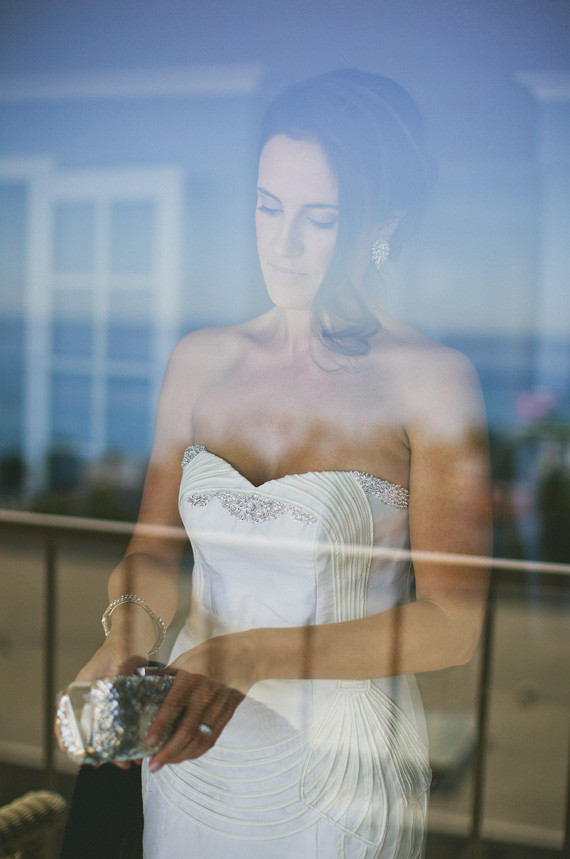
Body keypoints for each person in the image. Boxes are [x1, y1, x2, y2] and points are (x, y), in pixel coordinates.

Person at [72, 70, 491, 858]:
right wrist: (126, 637)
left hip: (337, 769)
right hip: (189, 745)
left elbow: (454, 624)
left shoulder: (432, 381)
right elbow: (153, 549)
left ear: (383, 222)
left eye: (318, 218)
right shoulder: (198, 361)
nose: (283, 243)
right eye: (268, 207)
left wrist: (253, 654)